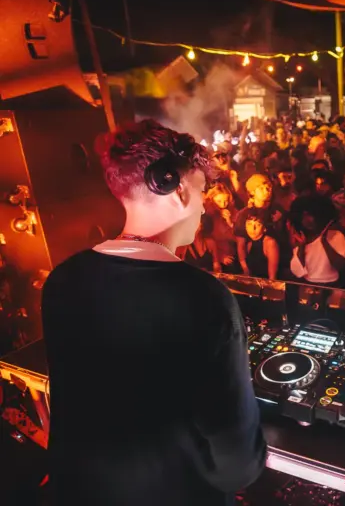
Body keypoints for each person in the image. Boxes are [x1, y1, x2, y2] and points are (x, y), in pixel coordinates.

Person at [41, 120, 265, 505]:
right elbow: (238, 466)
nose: (203, 205)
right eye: (201, 190)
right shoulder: (205, 298)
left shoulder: (63, 279)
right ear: (176, 189)